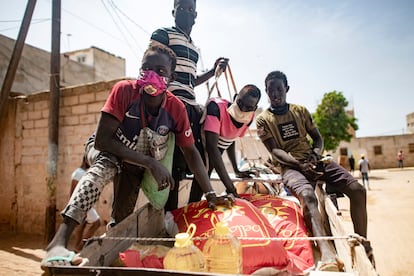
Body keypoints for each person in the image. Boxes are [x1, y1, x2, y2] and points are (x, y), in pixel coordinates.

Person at [41, 44, 234, 269]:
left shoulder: (175, 108)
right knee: (104, 166)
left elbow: (191, 152)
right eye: (147, 68)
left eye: (160, 71)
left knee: (121, 218)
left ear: (171, 78)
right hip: (108, 150)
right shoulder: (124, 91)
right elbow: (104, 140)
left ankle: (108, 260)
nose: (152, 75)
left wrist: (210, 193)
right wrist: (150, 162)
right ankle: (59, 241)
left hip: (134, 162)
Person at [256, 70, 373, 271]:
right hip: (291, 166)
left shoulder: (300, 111)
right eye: (270, 90)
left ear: (287, 89)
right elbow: (275, 151)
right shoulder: (263, 120)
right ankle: (326, 252)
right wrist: (300, 165)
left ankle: (361, 241)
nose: (274, 94)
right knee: (309, 197)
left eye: (278, 89)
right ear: (266, 92)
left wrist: (315, 155)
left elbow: (318, 139)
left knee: (358, 190)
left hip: (314, 160)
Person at [150, 0, 229, 211]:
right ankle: (170, 218)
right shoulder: (163, 34)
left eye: (190, 9)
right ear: (173, 11)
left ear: (196, 15)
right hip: (170, 105)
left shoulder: (194, 48)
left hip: (191, 108)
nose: (186, 12)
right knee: (173, 165)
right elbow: (152, 67)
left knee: (199, 163)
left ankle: (193, 213)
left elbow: (191, 81)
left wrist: (213, 72)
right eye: (182, 8)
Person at [188, 84, 261, 203]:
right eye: (240, 103)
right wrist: (231, 188)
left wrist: (236, 169)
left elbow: (231, 139)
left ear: (254, 108)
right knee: (202, 176)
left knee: (205, 175)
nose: (242, 109)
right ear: (235, 97)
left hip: (216, 152)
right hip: (202, 146)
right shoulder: (216, 108)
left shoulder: (249, 117)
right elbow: (211, 148)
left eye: (248, 107)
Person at [69, 156, 101, 252]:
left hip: (86, 203)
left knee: (82, 225)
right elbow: (73, 191)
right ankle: (80, 246)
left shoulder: (84, 172)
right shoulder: (79, 173)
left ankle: (76, 248)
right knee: (96, 223)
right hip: (82, 204)